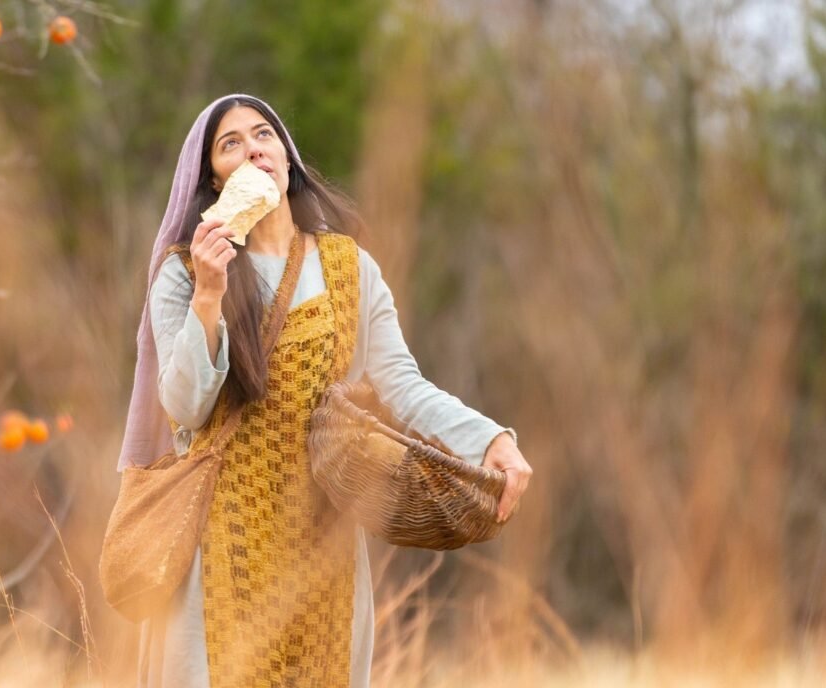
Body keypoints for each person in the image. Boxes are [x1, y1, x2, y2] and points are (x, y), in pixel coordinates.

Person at [116, 93, 533, 688]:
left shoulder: (349, 266)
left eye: (263, 135)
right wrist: (209, 295)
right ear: (213, 178)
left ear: (285, 158)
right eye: (230, 143)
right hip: (220, 543)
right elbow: (185, 407)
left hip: (323, 542)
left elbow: (403, 385)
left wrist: (489, 439)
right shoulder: (184, 273)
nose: (253, 148)